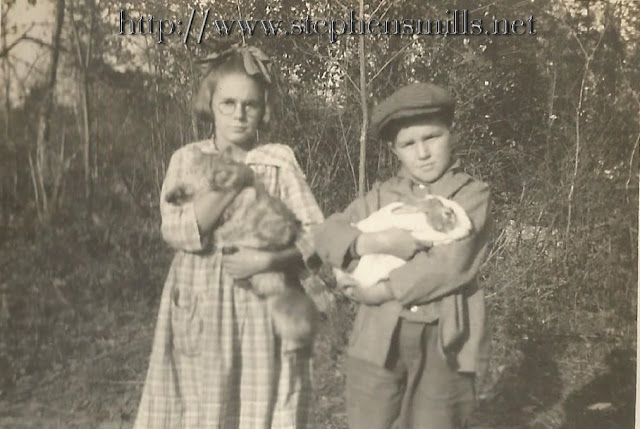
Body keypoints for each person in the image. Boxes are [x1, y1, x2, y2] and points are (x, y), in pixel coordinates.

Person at [133, 44, 325, 429]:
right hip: (199, 299)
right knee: (201, 403)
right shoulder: (187, 159)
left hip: (262, 300)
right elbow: (177, 228)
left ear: (263, 109)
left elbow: (316, 236)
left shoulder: (277, 159)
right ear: (211, 104)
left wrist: (268, 260)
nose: (239, 114)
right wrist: (233, 183)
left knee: (262, 402)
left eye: (250, 105)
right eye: (228, 103)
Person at [314, 82, 492, 429]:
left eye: (432, 137)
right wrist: (377, 242)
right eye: (409, 144)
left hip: (445, 339)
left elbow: (448, 263)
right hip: (377, 337)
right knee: (370, 416)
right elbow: (325, 233)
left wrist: (378, 291)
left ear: (450, 133)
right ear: (395, 150)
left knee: (436, 419)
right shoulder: (383, 196)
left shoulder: (471, 195)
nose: (422, 153)